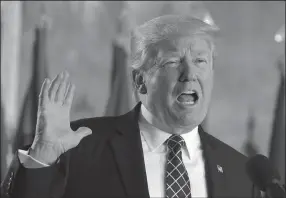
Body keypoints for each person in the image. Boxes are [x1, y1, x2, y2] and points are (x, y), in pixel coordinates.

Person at [1, 15, 262, 198]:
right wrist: (42, 157)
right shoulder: (79, 149)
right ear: (140, 81)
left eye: (200, 61)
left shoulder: (243, 175)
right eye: (173, 61)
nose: (189, 73)